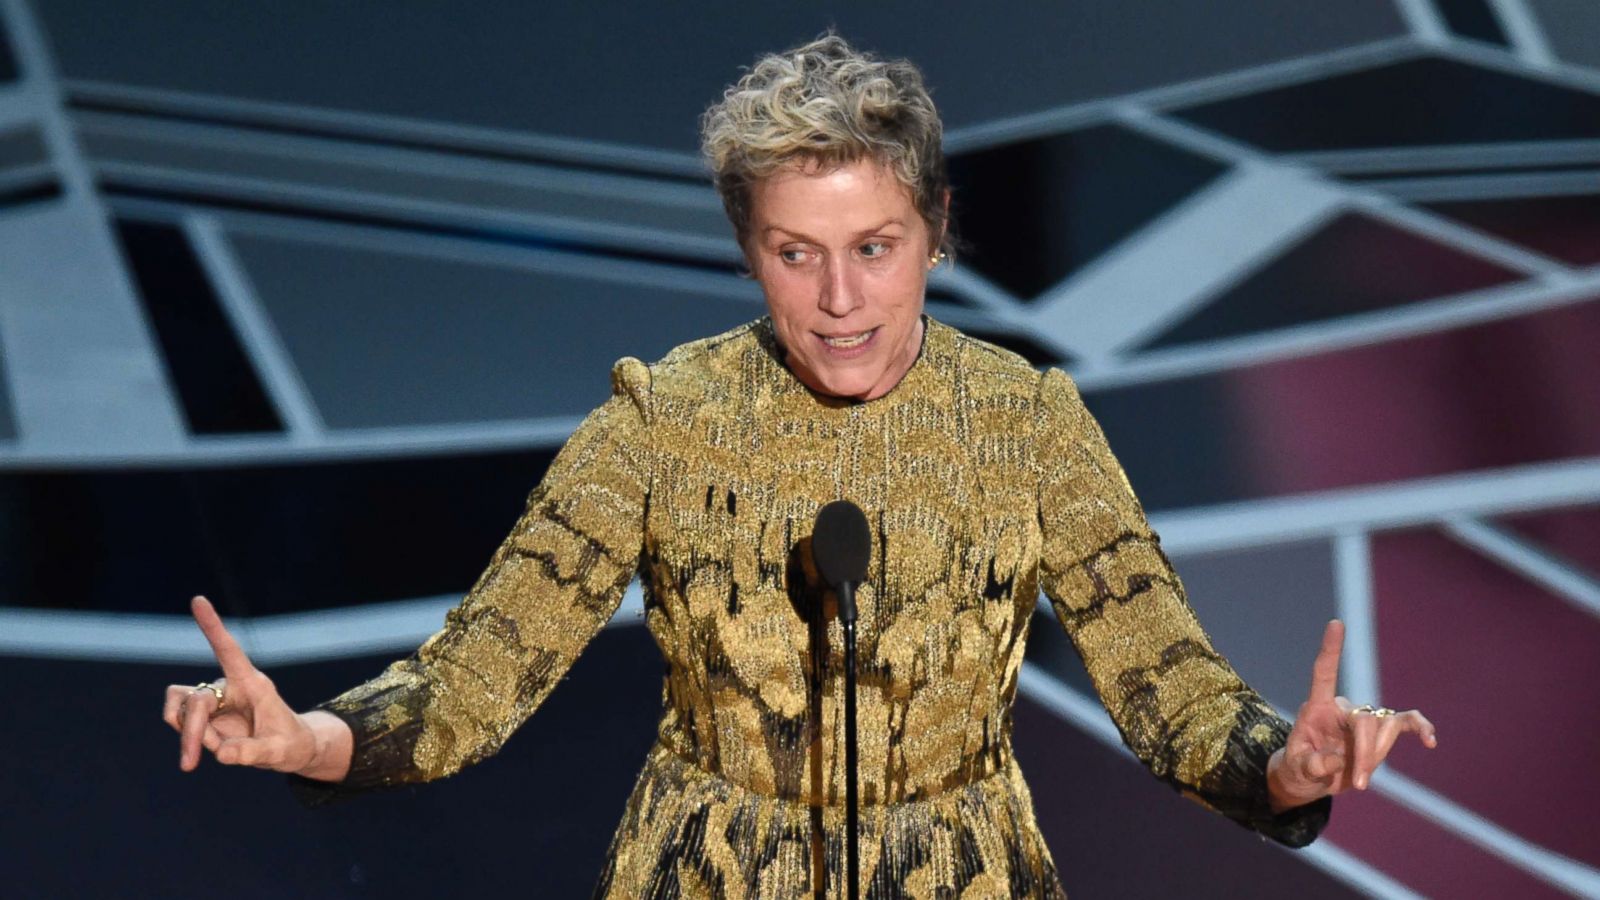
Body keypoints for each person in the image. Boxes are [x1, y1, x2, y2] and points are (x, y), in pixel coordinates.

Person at [162, 34, 1436, 897]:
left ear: (936, 232)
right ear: (746, 250)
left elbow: (1169, 686)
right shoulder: (663, 421)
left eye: (875, 247)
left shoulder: (1028, 422)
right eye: (794, 253)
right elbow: (477, 677)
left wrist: (1285, 765)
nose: (837, 299)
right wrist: (316, 737)